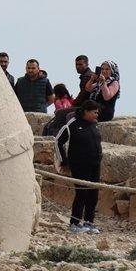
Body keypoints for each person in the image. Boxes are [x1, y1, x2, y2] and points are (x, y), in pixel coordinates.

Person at [54, 99, 104, 234]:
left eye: (97, 112)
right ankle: (74, 223)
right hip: (79, 165)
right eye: (94, 112)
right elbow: (58, 142)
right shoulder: (72, 124)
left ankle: (89, 222)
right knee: (82, 193)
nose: (96, 115)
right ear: (86, 111)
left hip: (95, 165)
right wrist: (63, 161)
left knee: (93, 194)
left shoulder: (94, 124)